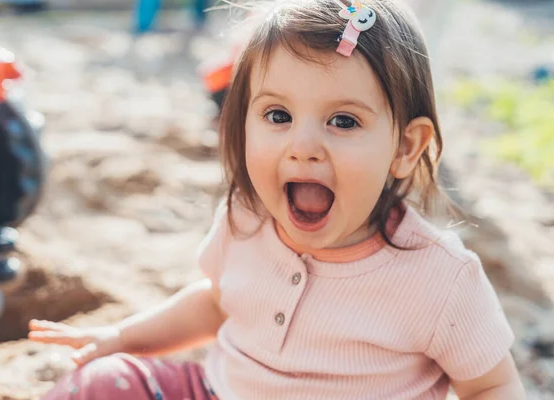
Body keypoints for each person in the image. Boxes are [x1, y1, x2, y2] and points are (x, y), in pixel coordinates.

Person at [28, 0, 526, 398]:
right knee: (104, 382)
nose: (303, 147)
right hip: (219, 390)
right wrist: (121, 338)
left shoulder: (440, 279)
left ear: (404, 147)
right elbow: (218, 303)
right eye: (277, 116)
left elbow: (491, 385)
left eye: (344, 121)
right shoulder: (246, 217)